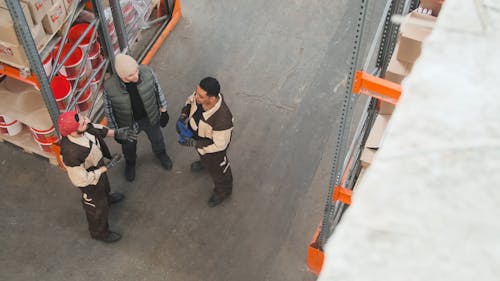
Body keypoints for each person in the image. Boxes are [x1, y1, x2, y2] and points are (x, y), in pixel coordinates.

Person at [58, 111, 135, 243]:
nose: (87, 121)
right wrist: (106, 168)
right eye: (83, 122)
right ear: (72, 131)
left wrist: (116, 133)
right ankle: (99, 233)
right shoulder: (71, 154)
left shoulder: (84, 128)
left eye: (83, 118)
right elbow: (80, 179)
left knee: (105, 187)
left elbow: (96, 129)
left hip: (98, 169)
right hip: (89, 182)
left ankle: (107, 198)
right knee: (96, 208)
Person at [103, 54, 172, 182]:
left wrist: (164, 110)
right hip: (127, 124)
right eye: (130, 75)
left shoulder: (147, 72)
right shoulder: (110, 87)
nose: (136, 76)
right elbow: (109, 110)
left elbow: (158, 90)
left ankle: (161, 154)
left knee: (157, 138)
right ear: (121, 76)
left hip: (149, 117)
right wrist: (115, 132)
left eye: (136, 71)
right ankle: (130, 163)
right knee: (128, 146)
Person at [177, 77, 234, 207]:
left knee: (219, 171)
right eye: (196, 92)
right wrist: (183, 116)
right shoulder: (199, 97)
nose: (196, 96)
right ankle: (204, 162)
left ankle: (224, 191)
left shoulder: (223, 119)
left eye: (200, 96)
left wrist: (194, 143)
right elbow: (189, 102)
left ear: (212, 99)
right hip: (198, 138)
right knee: (203, 154)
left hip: (213, 150)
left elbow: (219, 145)